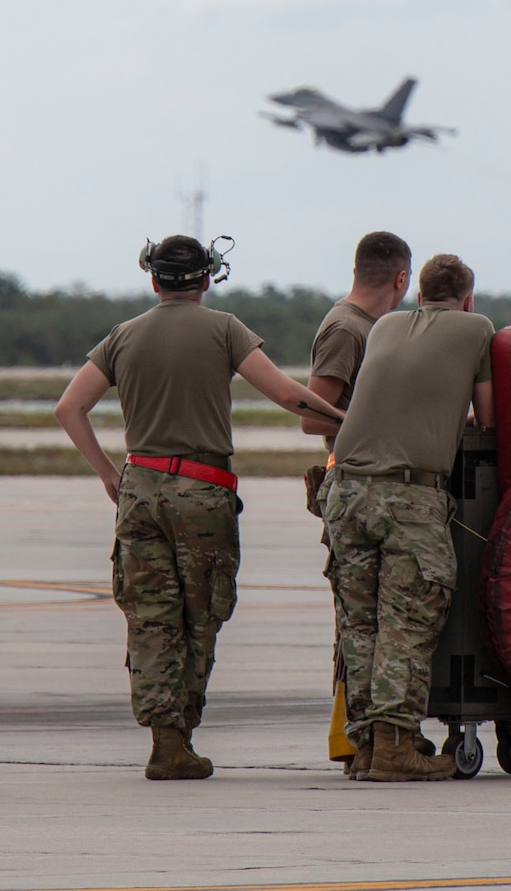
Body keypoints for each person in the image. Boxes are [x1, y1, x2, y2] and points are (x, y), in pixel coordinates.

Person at [55, 235, 350, 781]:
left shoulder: (122, 336)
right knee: (200, 615)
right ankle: (181, 735)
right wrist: (354, 424)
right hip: (202, 490)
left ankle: (165, 741)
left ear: (153, 280)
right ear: (207, 279)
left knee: (150, 619)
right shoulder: (225, 329)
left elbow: (69, 407)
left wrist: (108, 474)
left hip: (139, 488)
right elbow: (288, 396)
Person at [320, 253, 495, 781]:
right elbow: (487, 421)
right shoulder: (477, 328)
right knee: (407, 622)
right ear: (467, 300)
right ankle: (396, 746)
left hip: (346, 490)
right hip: (407, 495)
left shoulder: (387, 326)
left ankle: (371, 745)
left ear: (417, 295)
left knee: (360, 624)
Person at [298, 231, 414, 776]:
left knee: (364, 624)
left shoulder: (374, 328)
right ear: (400, 278)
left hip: (367, 483)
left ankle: (365, 742)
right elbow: (313, 415)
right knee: (360, 626)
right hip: (351, 481)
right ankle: (358, 741)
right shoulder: (347, 328)